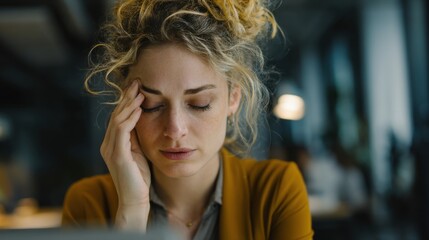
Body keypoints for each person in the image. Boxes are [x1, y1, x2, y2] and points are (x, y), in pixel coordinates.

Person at [61, 0, 313, 239]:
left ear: (233, 97)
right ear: (124, 103)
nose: (175, 129)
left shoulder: (277, 189)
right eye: (152, 105)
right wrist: (131, 211)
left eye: (199, 104)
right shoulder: (87, 203)